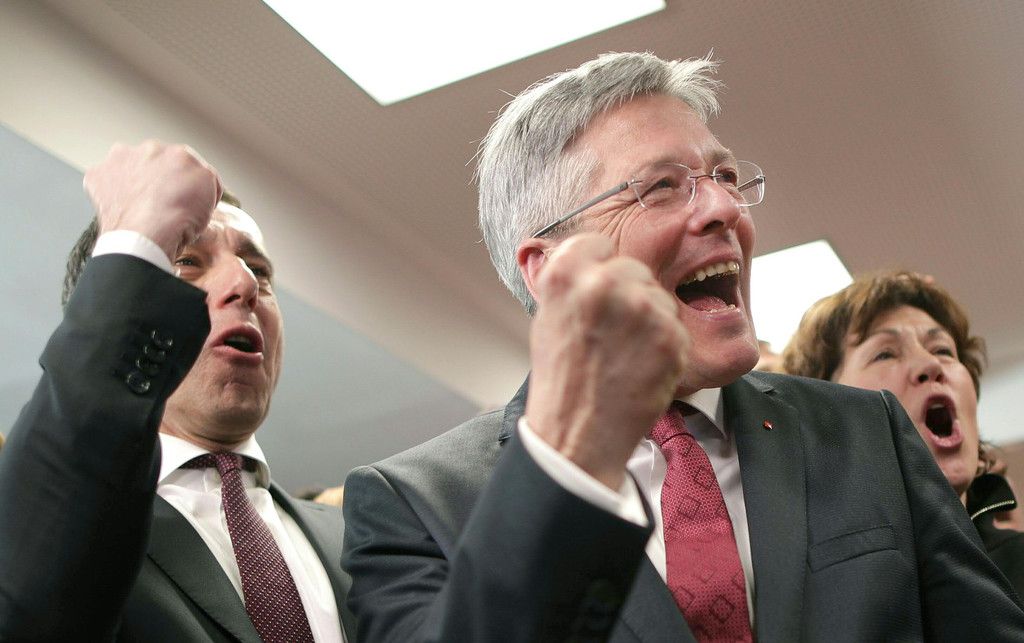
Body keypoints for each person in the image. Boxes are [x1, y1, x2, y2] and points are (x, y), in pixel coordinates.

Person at [341, 52, 1024, 642]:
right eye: (662, 187)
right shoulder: (411, 502)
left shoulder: (867, 432)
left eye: (725, 176)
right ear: (550, 269)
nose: (726, 208)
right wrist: (573, 464)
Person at [0, 142, 353, 641]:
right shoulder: (64, 521)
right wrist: (135, 241)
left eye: (260, 271)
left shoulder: (357, 539)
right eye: (187, 261)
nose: (245, 284)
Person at [782, 269, 1024, 597]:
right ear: (824, 408)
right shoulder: (802, 596)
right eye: (885, 353)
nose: (930, 365)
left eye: (943, 350)